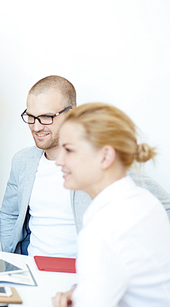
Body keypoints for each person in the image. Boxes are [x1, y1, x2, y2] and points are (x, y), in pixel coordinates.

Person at [0, 76, 170, 256]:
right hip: (33, 270)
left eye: (46, 117)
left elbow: (163, 206)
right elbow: (9, 215)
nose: (36, 127)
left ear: (71, 113)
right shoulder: (22, 161)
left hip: (81, 274)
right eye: (31, 117)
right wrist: (13, 259)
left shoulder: (96, 162)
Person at [52, 103, 170, 307]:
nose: (59, 161)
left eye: (69, 150)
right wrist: (82, 291)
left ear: (106, 156)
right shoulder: (145, 200)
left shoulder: (103, 230)